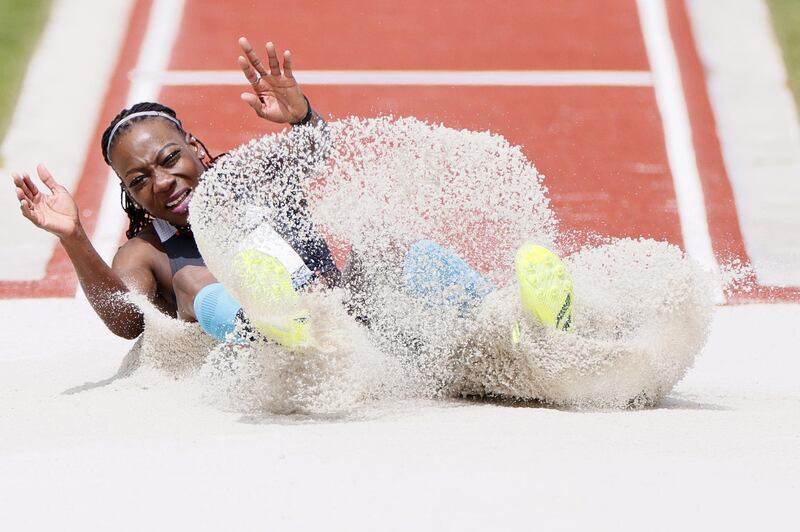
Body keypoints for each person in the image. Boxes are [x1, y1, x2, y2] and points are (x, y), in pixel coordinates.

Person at [12, 37, 574, 350]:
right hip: (271, 356)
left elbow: (314, 150)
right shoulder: (146, 252)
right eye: (139, 181)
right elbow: (126, 319)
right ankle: (272, 316)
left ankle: (516, 318)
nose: (162, 182)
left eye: (169, 159)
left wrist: (301, 115)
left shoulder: (248, 176)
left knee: (389, 246)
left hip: (351, 322)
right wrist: (75, 238)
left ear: (195, 149)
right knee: (192, 281)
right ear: (131, 195)